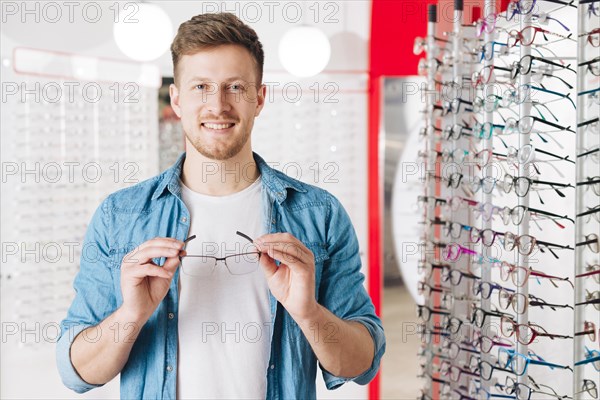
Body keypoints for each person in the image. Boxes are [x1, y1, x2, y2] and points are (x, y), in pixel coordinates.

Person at [56, 12, 385, 399]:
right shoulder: (120, 216)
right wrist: (131, 315)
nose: (218, 105)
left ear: (259, 98)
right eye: (201, 87)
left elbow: (363, 363)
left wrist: (308, 312)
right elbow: (76, 371)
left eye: (235, 87)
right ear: (176, 99)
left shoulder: (318, 214)